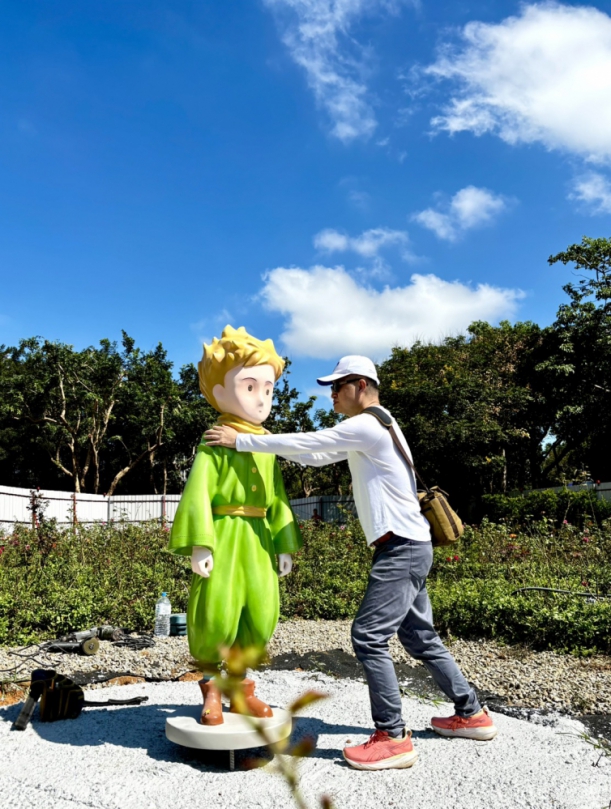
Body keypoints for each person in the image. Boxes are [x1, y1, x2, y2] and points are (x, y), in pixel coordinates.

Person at [205, 354, 497, 769]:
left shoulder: (367, 424)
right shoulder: (380, 425)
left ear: (360, 385)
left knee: (368, 636)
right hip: (412, 545)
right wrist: (263, 438)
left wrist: (244, 440)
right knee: (419, 637)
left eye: (337, 388)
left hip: (401, 548)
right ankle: (471, 714)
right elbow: (316, 455)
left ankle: (392, 736)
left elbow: (312, 442)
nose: (331, 396)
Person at [168, 326, 302, 725]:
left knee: (259, 613)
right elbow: (198, 492)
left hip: (259, 540)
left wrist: (283, 543)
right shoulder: (214, 441)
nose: (262, 399)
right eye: (249, 387)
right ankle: (212, 688)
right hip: (225, 534)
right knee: (216, 611)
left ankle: (241, 691)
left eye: (268, 389)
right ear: (219, 393)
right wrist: (200, 543)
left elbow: (277, 497)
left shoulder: (267, 445)